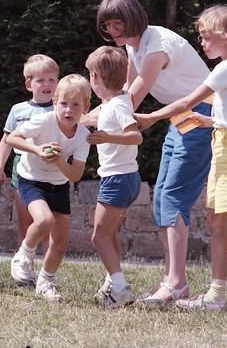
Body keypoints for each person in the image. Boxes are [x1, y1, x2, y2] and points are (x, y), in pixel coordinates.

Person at [135, 5, 227, 316]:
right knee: (217, 223)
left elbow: (189, 101)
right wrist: (213, 123)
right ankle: (216, 296)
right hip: (226, 144)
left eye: (205, 37)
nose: (201, 43)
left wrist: (150, 117)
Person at [85, 0, 212, 306]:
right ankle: (171, 281)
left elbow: (129, 101)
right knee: (162, 198)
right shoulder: (132, 45)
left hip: (201, 115)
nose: (112, 31)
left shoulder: (156, 47)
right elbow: (123, 93)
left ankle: (177, 283)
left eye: (117, 24)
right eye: (108, 26)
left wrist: (81, 121)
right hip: (176, 116)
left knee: (173, 198)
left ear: (132, 17)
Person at [8, 74, 91, 302]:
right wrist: (38, 150)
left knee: (60, 240)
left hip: (59, 184)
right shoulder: (44, 121)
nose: (68, 110)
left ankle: (46, 282)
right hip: (31, 179)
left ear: (86, 107)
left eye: (76, 105)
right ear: (55, 102)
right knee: (44, 221)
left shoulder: (83, 135)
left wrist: (58, 161)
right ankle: (23, 254)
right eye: (64, 103)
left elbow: (76, 174)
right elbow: (12, 139)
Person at [84, 46, 143, 308]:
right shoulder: (115, 102)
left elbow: (136, 135)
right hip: (126, 178)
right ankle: (112, 283)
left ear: (96, 78)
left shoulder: (117, 107)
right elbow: (87, 118)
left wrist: (108, 137)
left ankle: (120, 289)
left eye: (89, 75)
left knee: (99, 236)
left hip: (117, 179)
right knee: (108, 233)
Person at [0, 54, 57, 251]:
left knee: (50, 225)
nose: (47, 84)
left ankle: (47, 273)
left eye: (52, 79)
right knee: (26, 223)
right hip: (22, 169)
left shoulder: (62, 109)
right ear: (29, 84)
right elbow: (6, 141)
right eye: (40, 80)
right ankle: (23, 267)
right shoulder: (18, 110)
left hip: (53, 171)